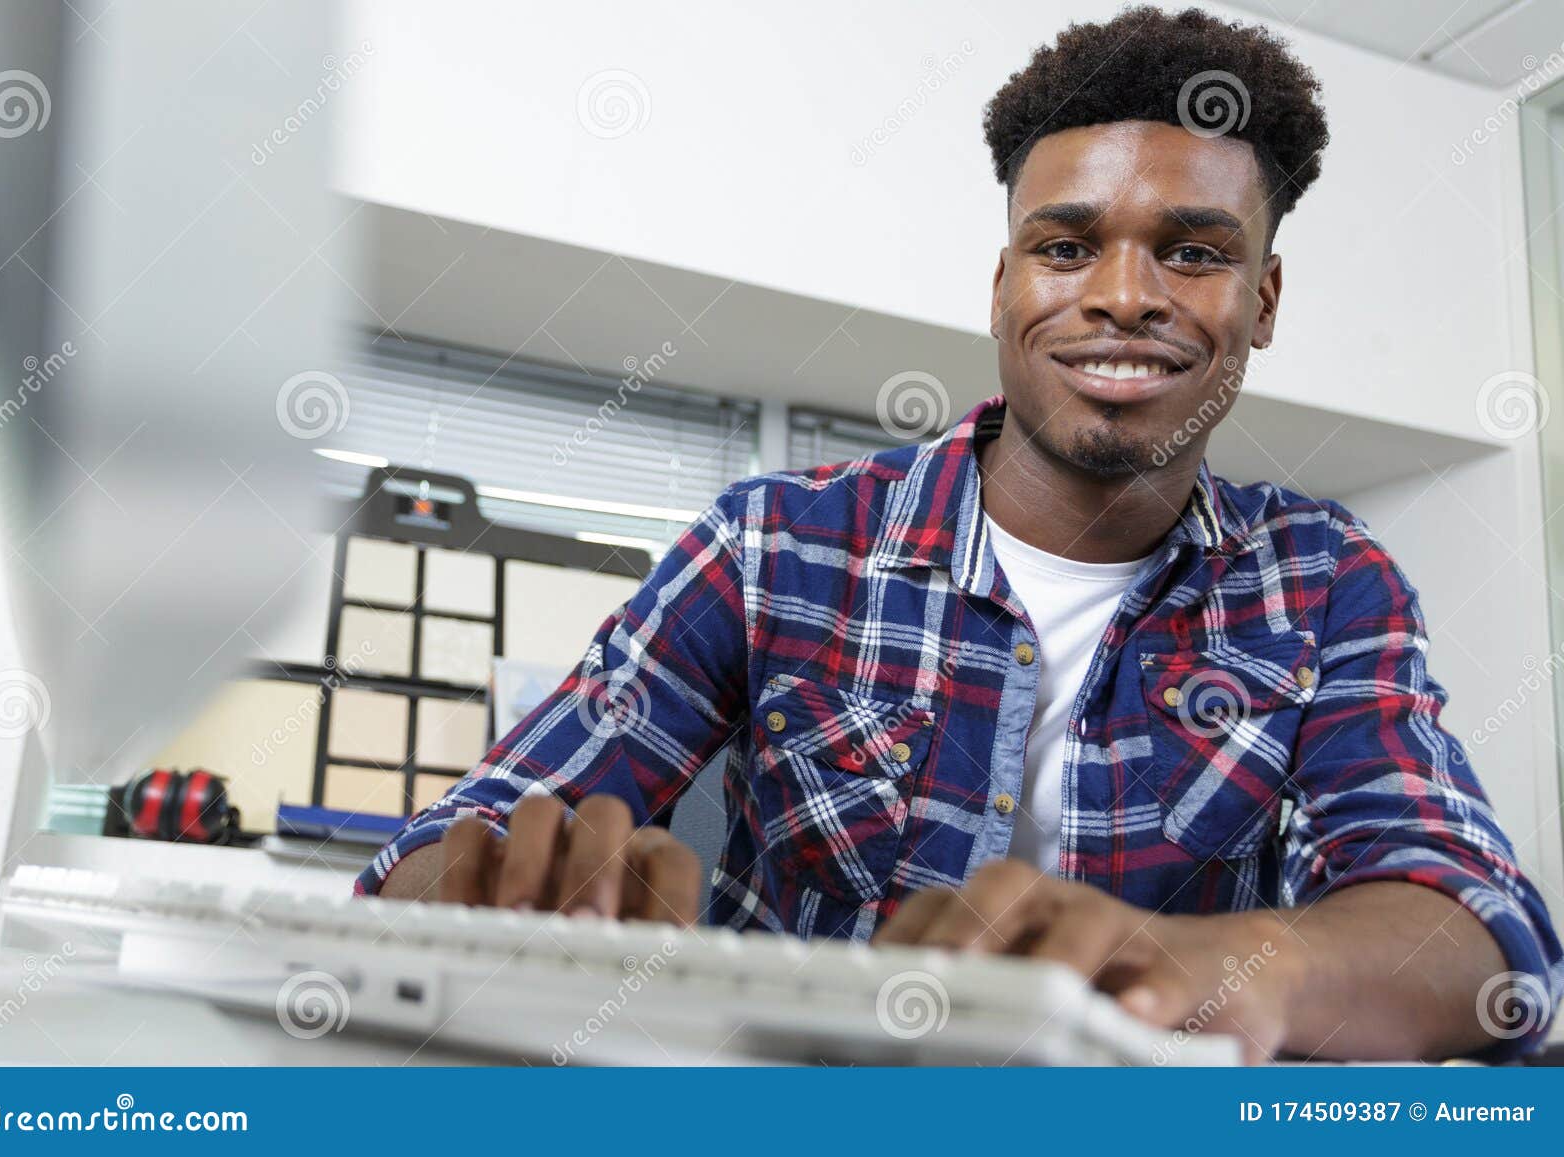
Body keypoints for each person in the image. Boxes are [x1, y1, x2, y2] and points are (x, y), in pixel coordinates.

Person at [360, 5, 1562, 1061]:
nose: (1126, 293)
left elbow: (1472, 929)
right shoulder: (773, 545)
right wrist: (504, 884)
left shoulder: (1325, 579)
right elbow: (431, 857)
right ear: (1004, 286)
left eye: (1193, 252)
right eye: (1066, 245)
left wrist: (1219, 965)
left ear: (1263, 299)